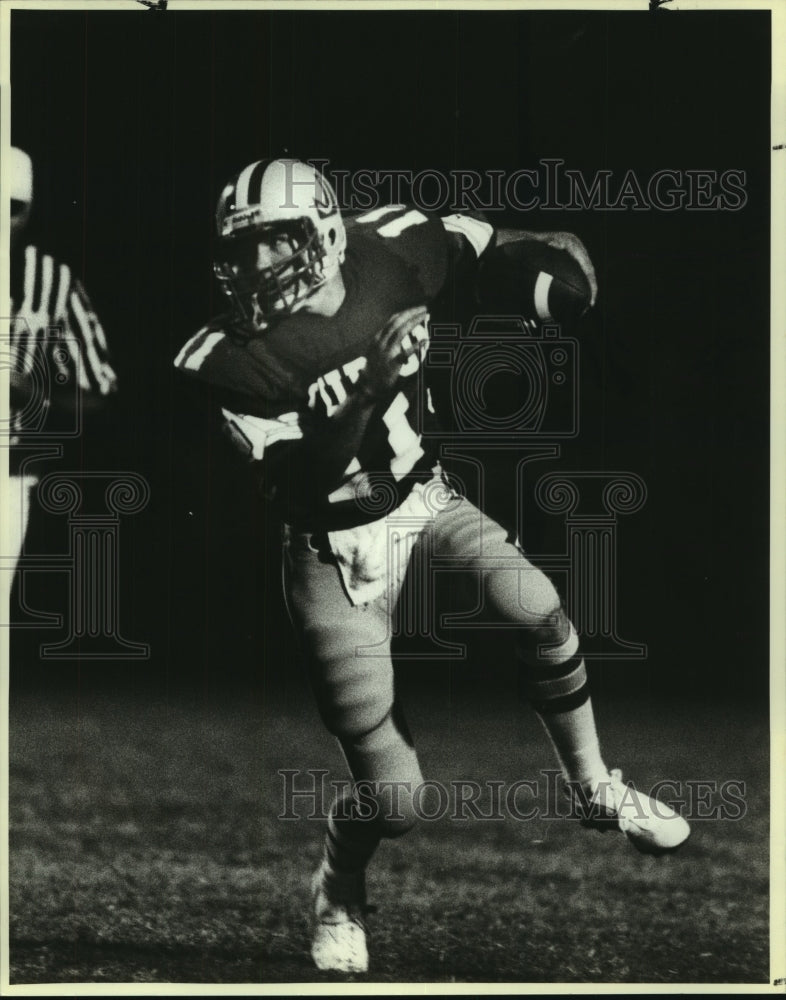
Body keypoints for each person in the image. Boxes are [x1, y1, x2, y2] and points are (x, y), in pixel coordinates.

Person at [174, 158, 690, 975]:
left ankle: (596, 787)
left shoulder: (392, 248)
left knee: (539, 608)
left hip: (424, 496)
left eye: (276, 241)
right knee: (397, 803)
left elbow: (483, 244)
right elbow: (300, 483)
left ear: (325, 232)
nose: (258, 264)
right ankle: (338, 886)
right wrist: (367, 390)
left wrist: (555, 261)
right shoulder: (226, 359)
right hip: (332, 548)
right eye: (244, 249)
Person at [4, 146, 117, 620]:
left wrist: (30, 393)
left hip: (9, 476)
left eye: (11, 209)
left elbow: (99, 393)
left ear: (28, 213)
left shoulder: (51, 281)